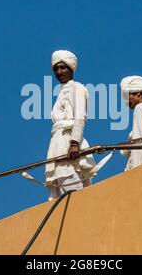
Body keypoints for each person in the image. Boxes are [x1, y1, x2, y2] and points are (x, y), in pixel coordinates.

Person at [45, 50, 95, 200]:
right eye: (56, 68)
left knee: (74, 192)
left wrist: (74, 143)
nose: (59, 72)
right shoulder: (61, 93)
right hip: (57, 145)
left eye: (63, 67)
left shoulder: (77, 87)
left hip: (69, 143)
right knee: (62, 194)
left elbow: (80, 118)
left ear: (71, 68)